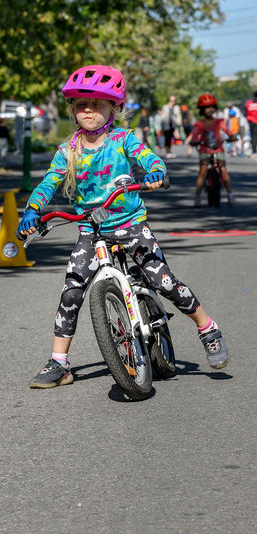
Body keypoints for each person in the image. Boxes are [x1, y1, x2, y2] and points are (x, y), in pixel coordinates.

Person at [17, 65, 229, 389]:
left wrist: (155, 172)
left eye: (98, 105)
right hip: (91, 230)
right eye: (81, 106)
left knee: (164, 280)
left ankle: (206, 326)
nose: (88, 111)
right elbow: (49, 182)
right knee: (71, 290)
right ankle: (59, 363)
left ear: (114, 108)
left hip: (130, 224)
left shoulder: (122, 140)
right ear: (73, 111)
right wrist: (33, 210)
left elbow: (148, 158)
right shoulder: (68, 151)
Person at [189, 93, 236, 206]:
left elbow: (227, 131)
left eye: (212, 107)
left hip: (218, 149)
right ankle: (197, 197)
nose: (209, 110)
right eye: (206, 107)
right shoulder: (199, 124)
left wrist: (232, 136)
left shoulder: (219, 122)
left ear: (215, 108)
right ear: (202, 109)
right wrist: (194, 141)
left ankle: (230, 195)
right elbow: (195, 136)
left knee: (224, 171)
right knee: (203, 172)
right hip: (205, 150)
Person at [245, 90, 257, 155]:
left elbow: (245, 111)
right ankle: (254, 150)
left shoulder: (248, 103)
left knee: (252, 136)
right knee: (256, 136)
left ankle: (253, 149)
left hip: (249, 121)